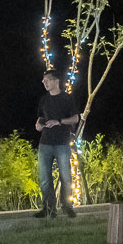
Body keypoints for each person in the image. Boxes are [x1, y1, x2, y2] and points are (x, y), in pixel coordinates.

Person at [34, 70, 80, 218]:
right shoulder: (44, 100)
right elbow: (40, 118)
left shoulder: (67, 98)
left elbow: (75, 118)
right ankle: (48, 208)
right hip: (45, 143)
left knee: (66, 177)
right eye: (43, 81)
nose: (45, 83)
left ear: (56, 81)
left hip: (62, 143)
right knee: (45, 178)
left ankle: (67, 206)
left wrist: (59, 122)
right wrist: (38, 125)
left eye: (47, 80)